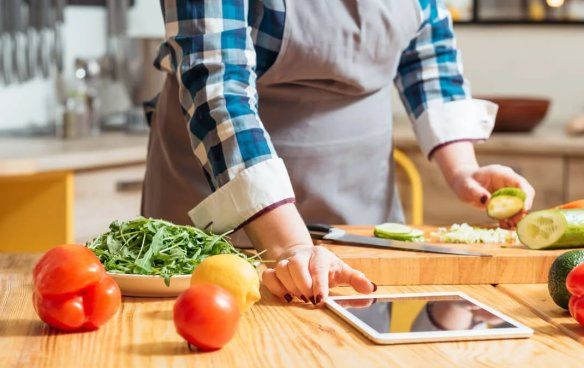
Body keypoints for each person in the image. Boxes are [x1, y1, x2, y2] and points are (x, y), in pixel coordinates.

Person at [142, 0, 535, 306]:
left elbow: (426, 47)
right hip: (226, 183)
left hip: (359, 191)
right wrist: (292, 246)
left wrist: (462, 166)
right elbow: (216, 88)